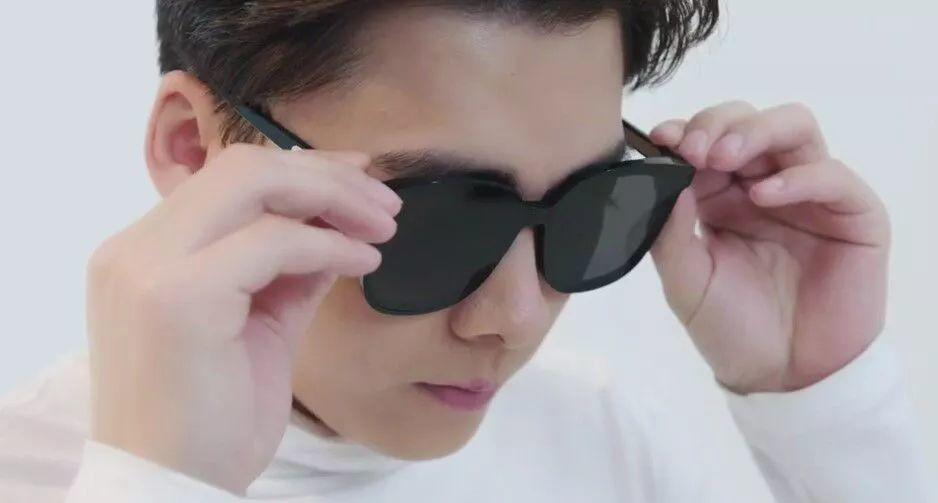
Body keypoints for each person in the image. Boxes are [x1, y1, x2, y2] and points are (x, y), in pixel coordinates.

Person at [0, 1, 930, 501]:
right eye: (435, 223)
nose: (514, 317)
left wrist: (824, 415)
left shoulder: (590, 433)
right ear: (195, 151)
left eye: (587, 207)